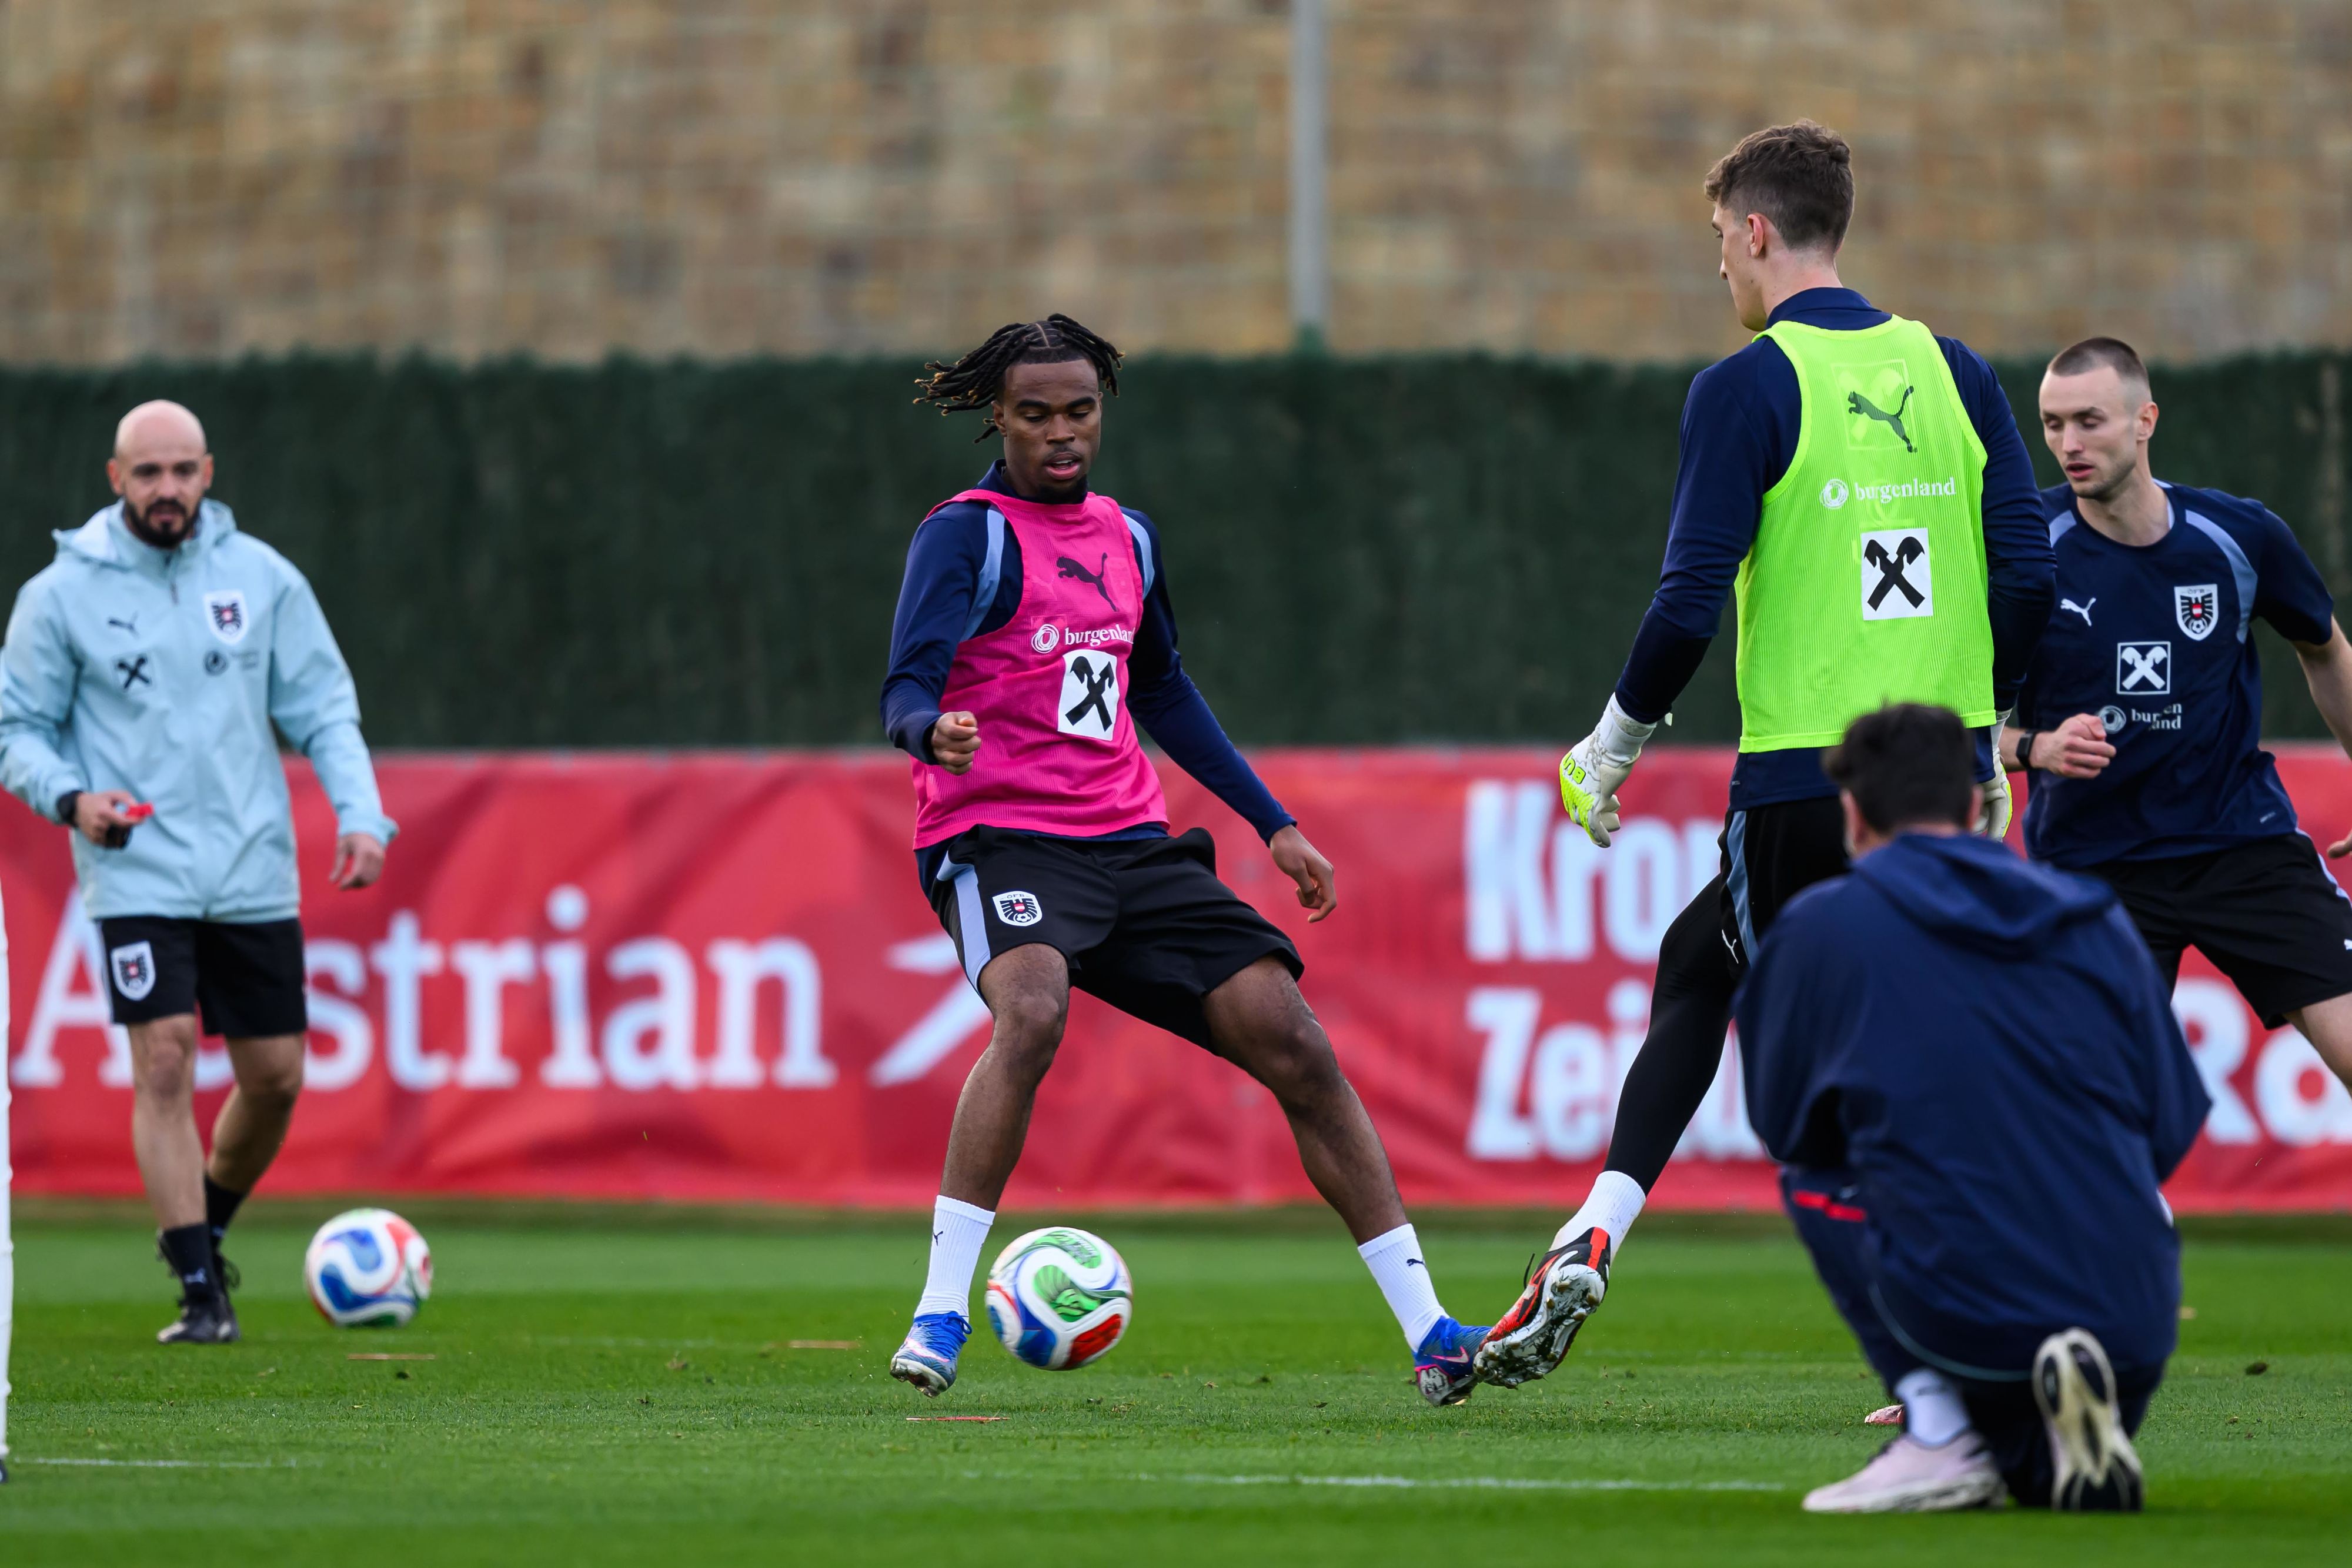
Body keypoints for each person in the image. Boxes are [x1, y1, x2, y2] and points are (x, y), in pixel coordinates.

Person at [1477, 122, 2054, 1388]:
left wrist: (1610, 743)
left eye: (1714, 246)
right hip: (1946, 776)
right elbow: (2024, 564)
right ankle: (1609, 1225)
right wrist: (1990, 721)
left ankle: (1957, 1350)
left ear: (1750, 232)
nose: (1716, 276)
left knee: (1760, 1027)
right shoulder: (1952, 370)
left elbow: (1688, 599)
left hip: (1807, 787)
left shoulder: (1743, 384)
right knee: (1730, 970)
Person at [878, 316, 1487, 1405]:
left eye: (1080, 411)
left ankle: (1433, 1332)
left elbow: (1161, 690)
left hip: (1127, 842)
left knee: (1295, 1044)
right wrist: (932, 731)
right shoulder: (964, 535)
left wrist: (1273, 822)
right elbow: (903, 685)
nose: (1063, 435)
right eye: (1036, 415)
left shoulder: (1130, 537)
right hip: (1000, 836)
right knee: (1032, 1009)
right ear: (999, 418)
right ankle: (939, 1311)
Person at [1734, 704, 2206, 1512]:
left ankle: (1941, 1427)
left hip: (1966, 1316)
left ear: (1852, 815)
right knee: (2029, 1460)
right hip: (2134, 1319)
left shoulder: (1822, 927)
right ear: (1978, 802)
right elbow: (2169, 1125)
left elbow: (1785, 1127)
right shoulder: (2095, 917)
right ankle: (2060, 1432)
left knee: (1815, 1178)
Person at [0, 401, 396, 1344]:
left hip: (250, 866)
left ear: (208, 474)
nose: (166, 490)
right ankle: (199, 1293)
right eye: (148, 474)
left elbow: (324, 708)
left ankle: (206, 1227)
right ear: (115, 479)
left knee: (276, 1077)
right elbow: (16, 729)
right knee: (166, 1053)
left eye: (182, 472)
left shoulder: (263, 580)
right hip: (136, 865)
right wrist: (71, 798)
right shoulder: (61, 596)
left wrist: (362, 813)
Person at [2010, 336, 2352, 1096]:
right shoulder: (2027, 551)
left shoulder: (2240, 538)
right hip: (2096, 866)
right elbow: (1955, 717)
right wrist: (2034, 746)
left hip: (2241, 843)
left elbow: (2323, 647)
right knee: (2089, 1103)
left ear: (2146, 420)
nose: (2068, 444)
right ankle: (2130, 1217)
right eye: (2052, 424)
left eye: (2089, 421)